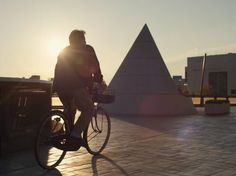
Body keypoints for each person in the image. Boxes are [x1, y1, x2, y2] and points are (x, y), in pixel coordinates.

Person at [53, 29, 103, 150]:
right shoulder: (87, 49)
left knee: (70, 109)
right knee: (89, 109)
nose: (85, 42)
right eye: (84, 40)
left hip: (59, 87)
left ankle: (63, 133)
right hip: (76, 86)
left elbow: (57, 70)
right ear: (81, 40)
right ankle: (75, 136)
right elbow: (95, 67)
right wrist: (99, 80)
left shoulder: (63, 51)